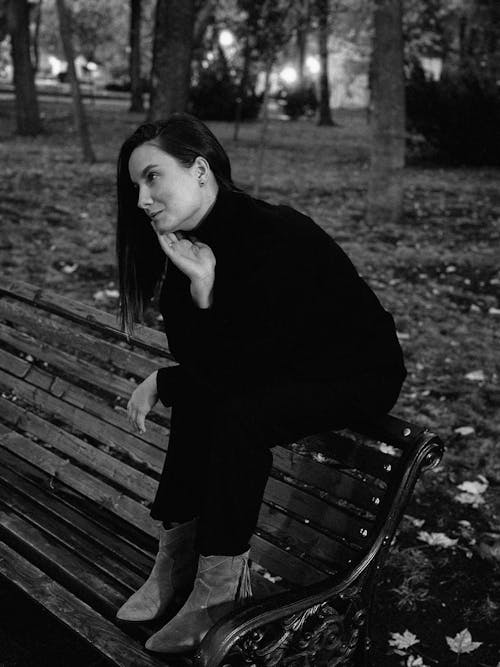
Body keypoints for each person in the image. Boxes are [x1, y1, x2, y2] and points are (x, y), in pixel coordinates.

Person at [114, 112, 407, 654]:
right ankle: (175, 558)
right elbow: (202, 358)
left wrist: (166, 380)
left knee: (237, 414)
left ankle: (218, 592)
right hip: (280, 368)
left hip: (354, 371)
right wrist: (200, 287)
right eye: (135, 185)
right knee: (206, 401)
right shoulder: (185, 242)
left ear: (199, 170)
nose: (141, 200)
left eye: (152, 177)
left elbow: (249, 368)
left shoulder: (275, 234)